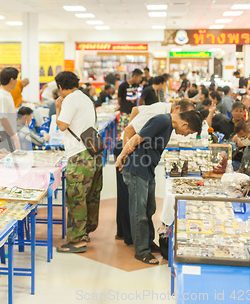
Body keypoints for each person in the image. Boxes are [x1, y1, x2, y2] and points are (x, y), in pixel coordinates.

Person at [116, 111, 202, 264]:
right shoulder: (162, 120)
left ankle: (148, 242)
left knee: (149, 209)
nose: (184, 135)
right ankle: (141, 251)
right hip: (137, 170)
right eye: (187, 132)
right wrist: (121, 157)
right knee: (139, 212)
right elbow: (136, 138)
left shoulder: (168, 124)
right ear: (184, 124)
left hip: (147, 169)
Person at [55, 71, 102, 254]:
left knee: (76, 197)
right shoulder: (85, 98)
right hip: (94, 152)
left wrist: (58, 108)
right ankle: (85, 231)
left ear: (60, 87)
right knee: (91, 195)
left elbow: (62, 125)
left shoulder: (69, 100)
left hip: (79, 155)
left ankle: (77, 241)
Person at [0, 67, 20, 151]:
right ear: (12, 80)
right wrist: (14, 137)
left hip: (6, 134)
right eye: (16, 79)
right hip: (4, 135)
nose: (17, 81)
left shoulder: (4, 93)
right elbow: (3, 119)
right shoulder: (2, 96)